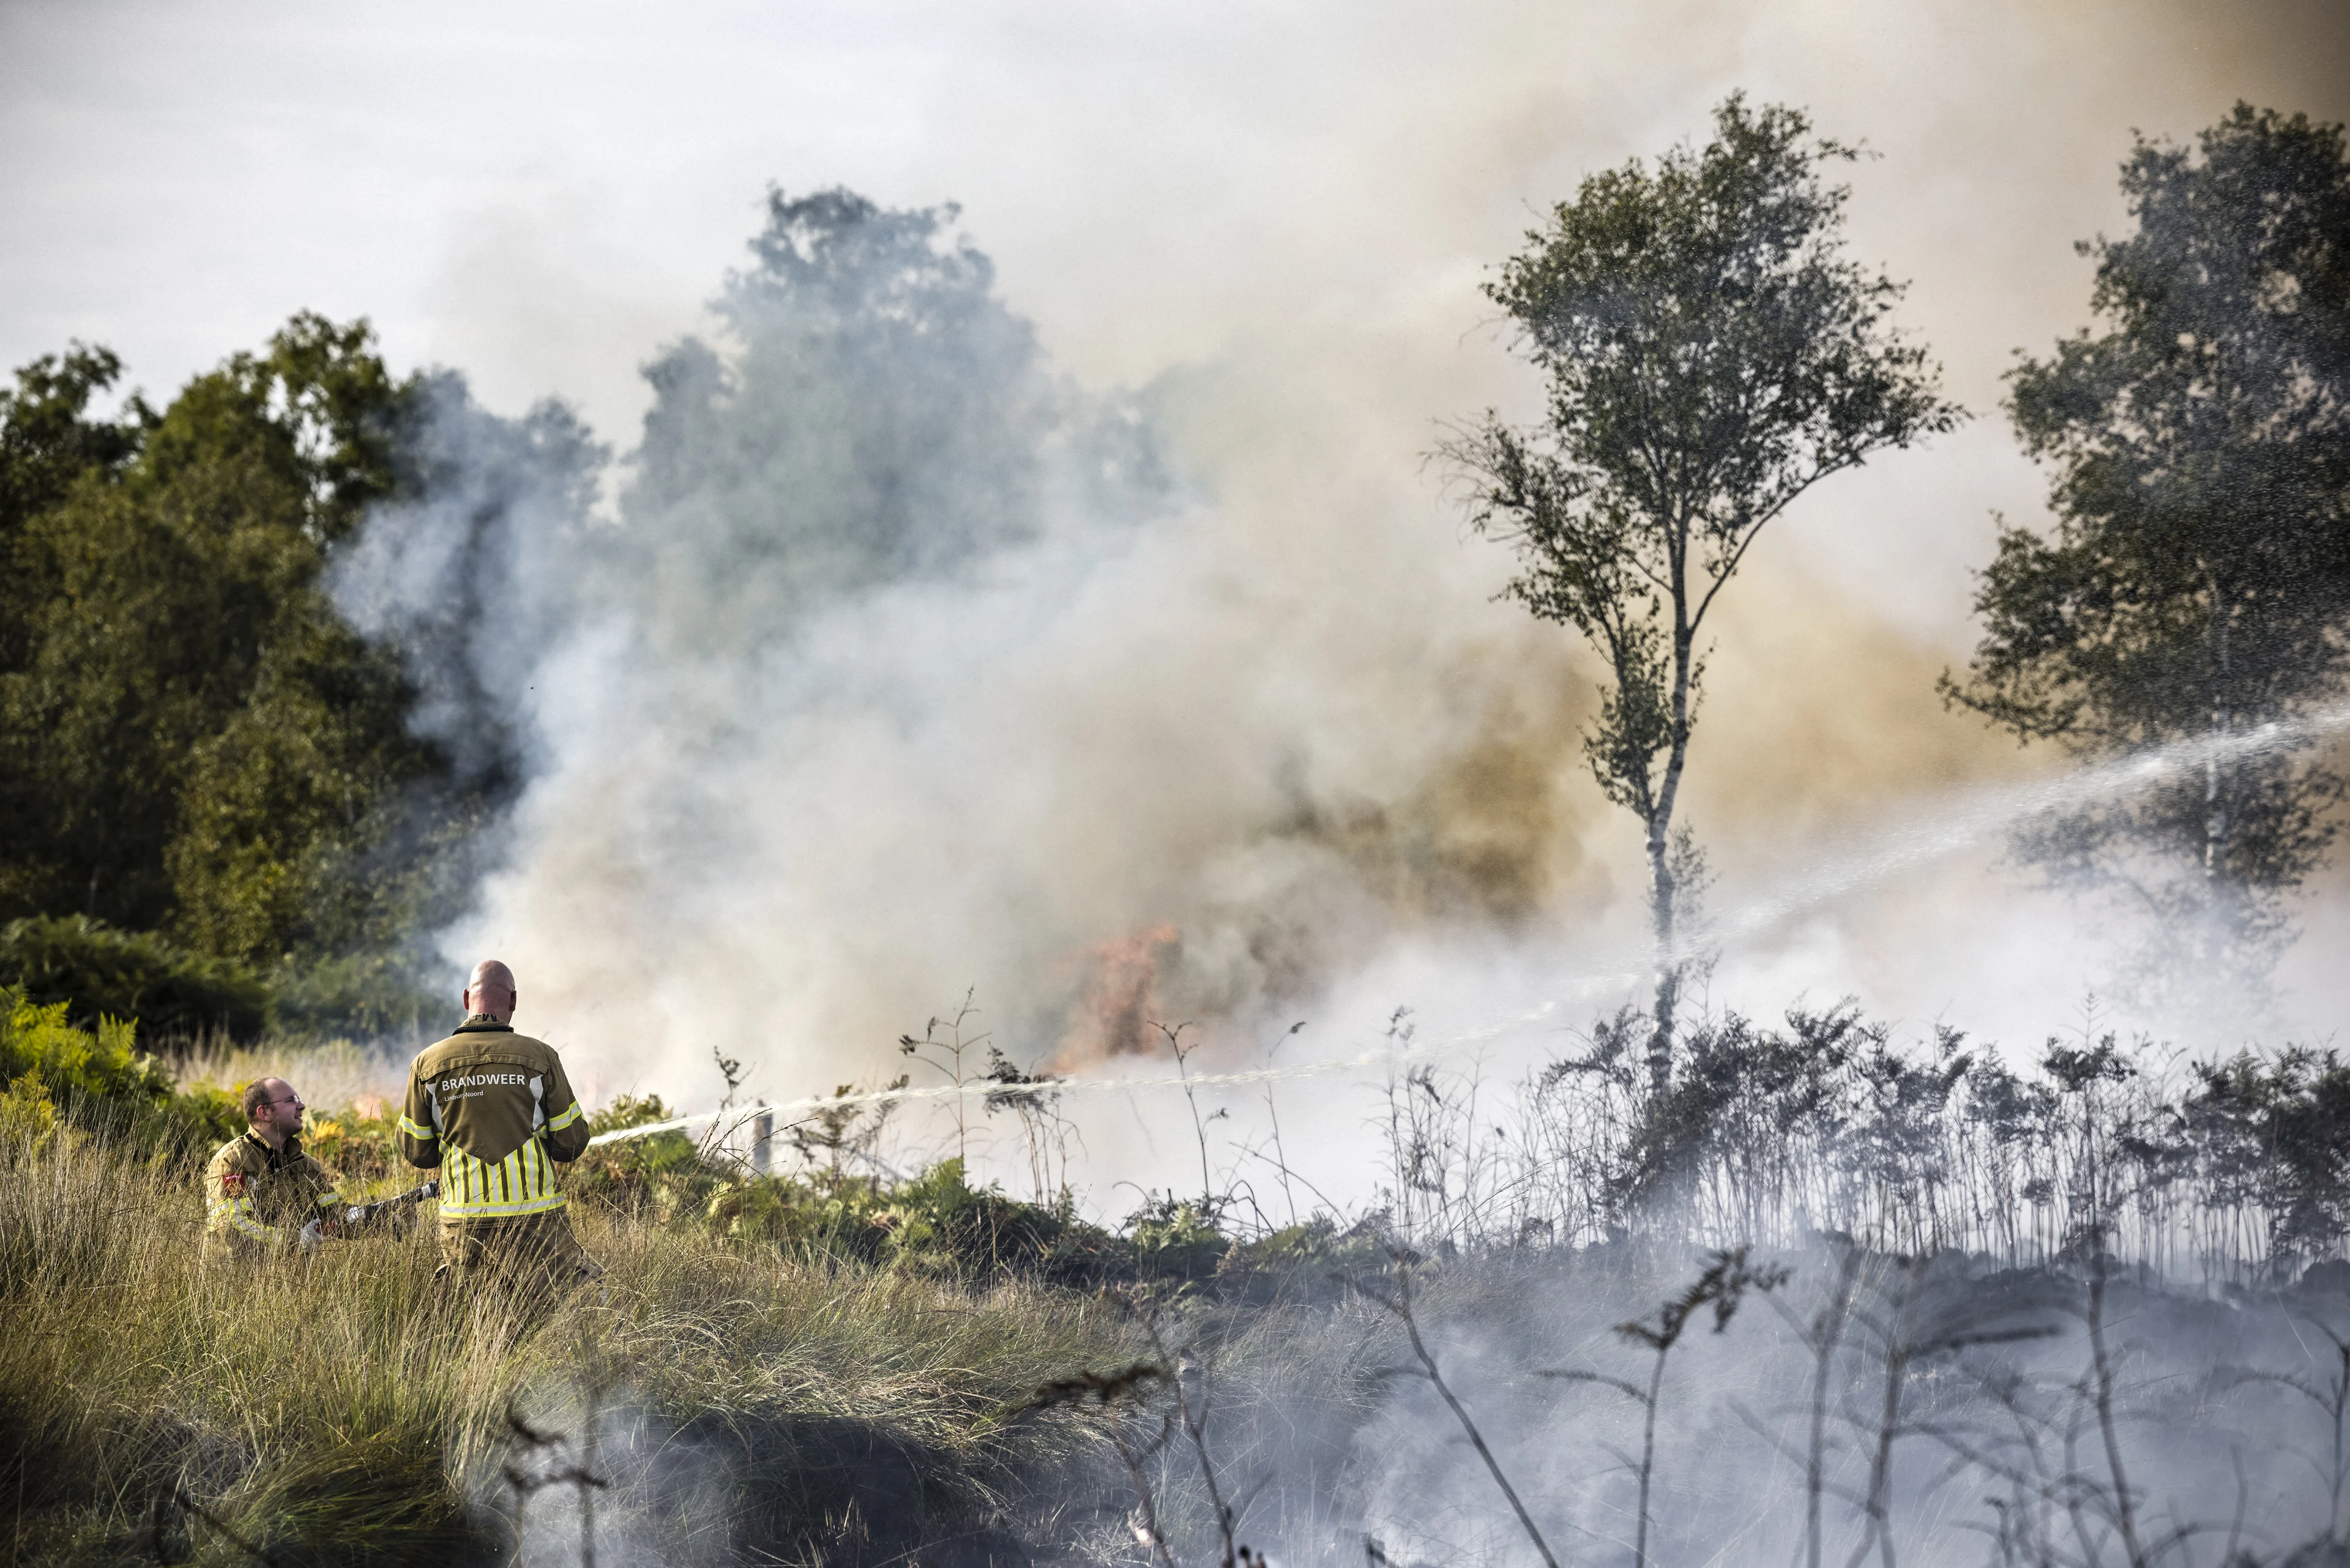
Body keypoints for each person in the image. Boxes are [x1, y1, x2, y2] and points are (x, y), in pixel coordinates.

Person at [397, 958, 598, 1290]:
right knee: (556, 1310)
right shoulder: (541, 1057)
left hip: (462, 1220)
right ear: (514, 1001)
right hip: (535, 1219)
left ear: (466, 999)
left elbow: (417, 1152)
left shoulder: (427, 1064)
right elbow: (572, 1142)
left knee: (474, 1314)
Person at [201, 1077, 345, 1258]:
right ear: (265, 1113)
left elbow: (336, 1214)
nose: (301, 1106)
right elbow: (231, 1227)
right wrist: (299, 1240)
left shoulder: (307, 1164)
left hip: (293, 1283)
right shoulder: (233, 1159)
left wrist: (381, 1214)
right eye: (291, 1100)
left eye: (299, 1100)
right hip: (239, 1281)